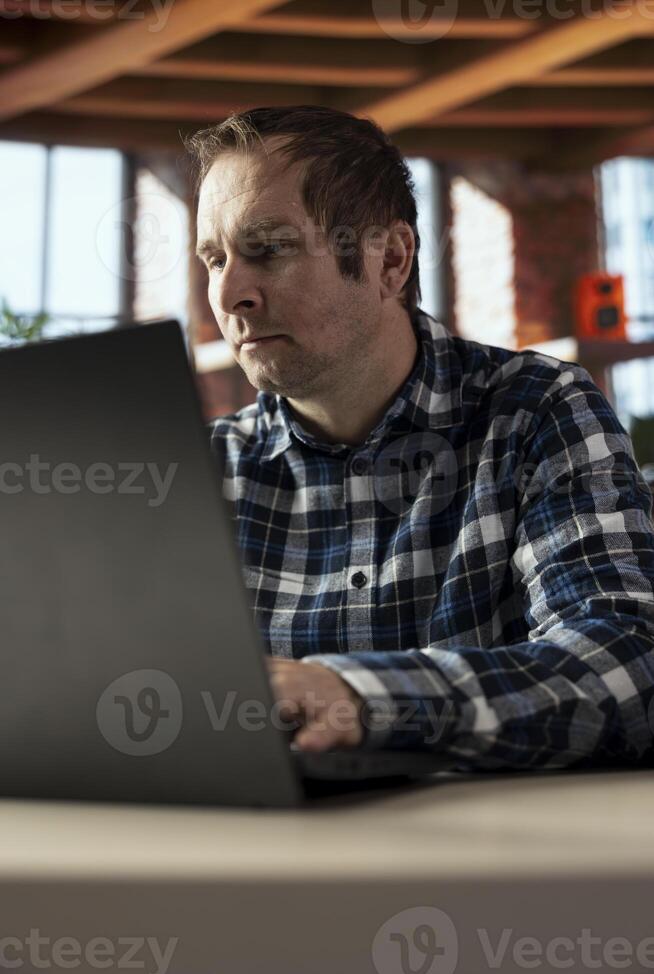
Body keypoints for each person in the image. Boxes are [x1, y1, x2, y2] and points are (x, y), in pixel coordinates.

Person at [184, 104, 654, 769]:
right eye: (215, 259)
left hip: (497, 835)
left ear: (391, 260)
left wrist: (365, 697)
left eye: (270, 248)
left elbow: (628, 663)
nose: (231, 292)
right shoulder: (204, 468)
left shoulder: (536, 413)